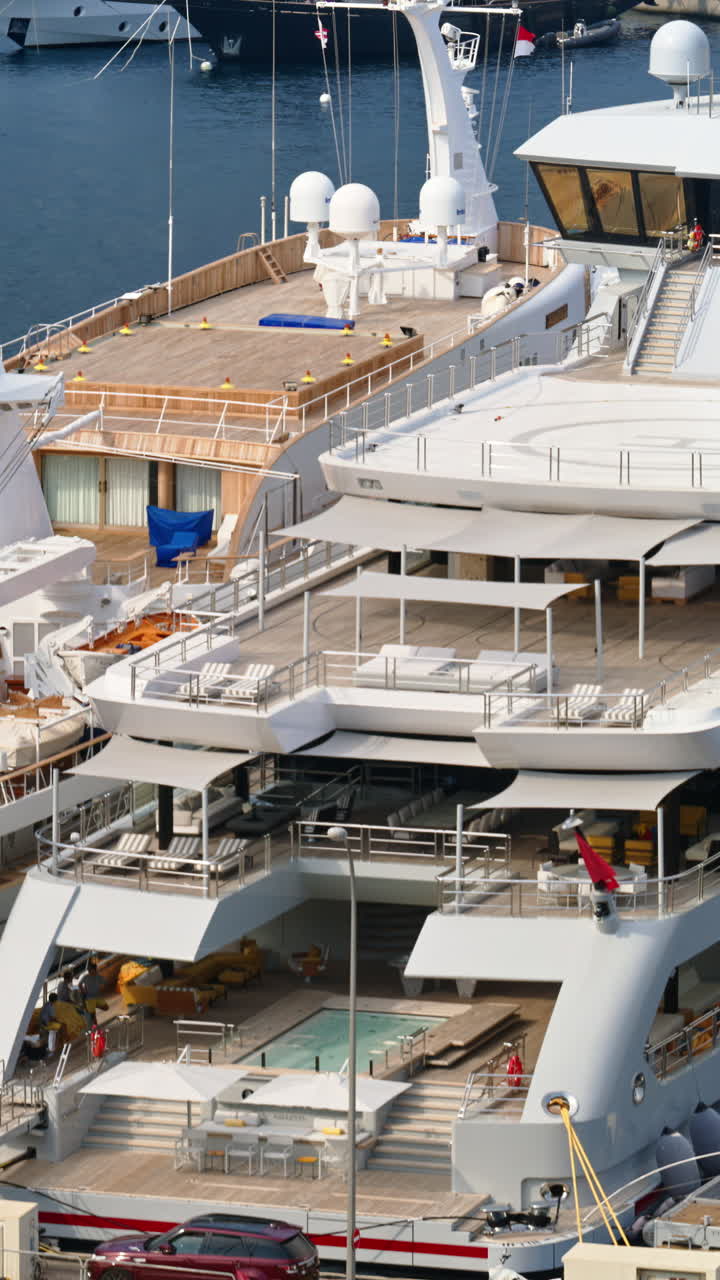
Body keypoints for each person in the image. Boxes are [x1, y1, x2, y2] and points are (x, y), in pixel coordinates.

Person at [79, 960, 108, 1026]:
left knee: (106, 1008)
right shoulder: (85, 977)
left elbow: (104, 983)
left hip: (98, 996)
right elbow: (79, 984)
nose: (88, 971)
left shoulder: (99, 977)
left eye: (90, 969)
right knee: (93, 1015)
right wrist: (83, 991)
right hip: (89, 998)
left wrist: (100, 989)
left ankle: (96, 1006)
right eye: (88, 969)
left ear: (95, 969)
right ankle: (96, 1026)